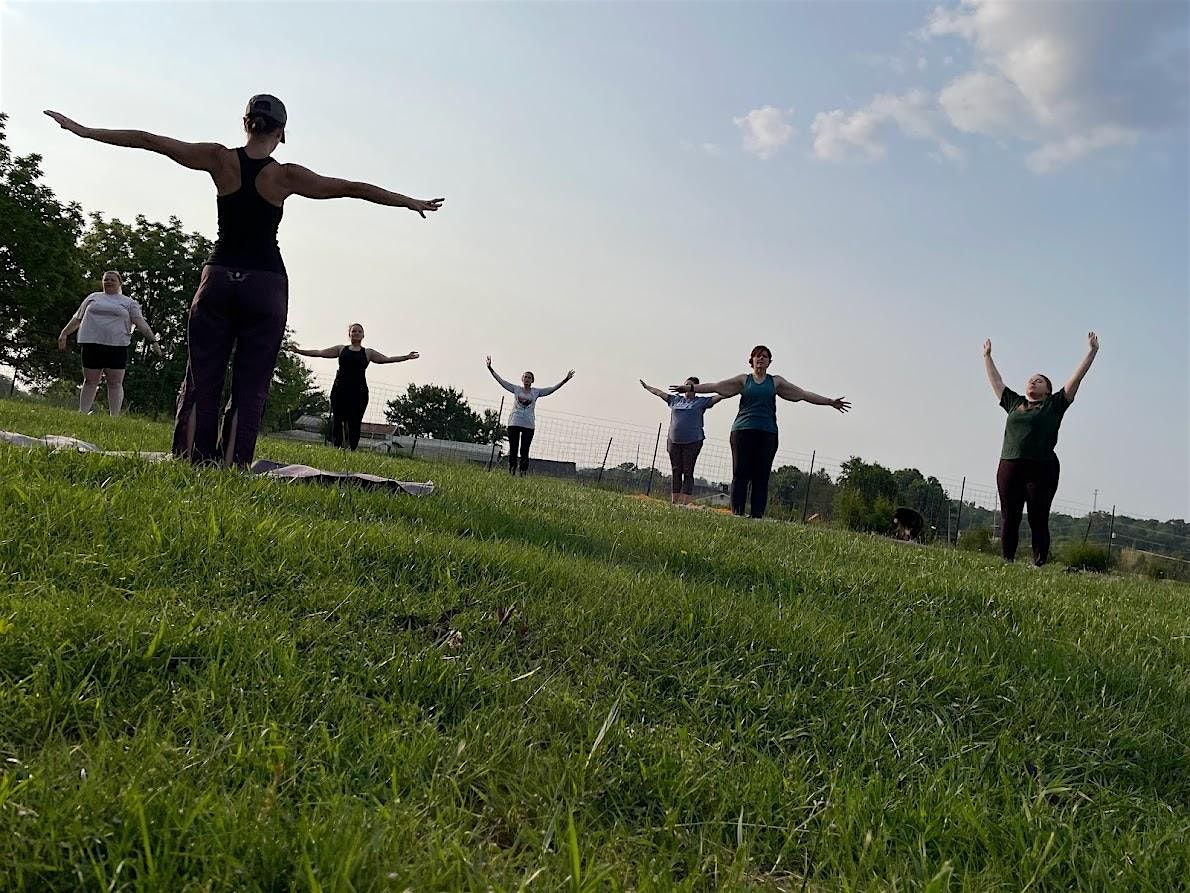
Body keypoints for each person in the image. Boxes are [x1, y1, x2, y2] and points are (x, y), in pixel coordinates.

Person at [45, 97, 444, 467]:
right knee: (251, 385)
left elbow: (151, 141)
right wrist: (407, 201)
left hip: (218, 280)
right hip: (266, 286)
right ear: (282, 133)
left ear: (245, 124)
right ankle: (234, 463)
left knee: (202, 377)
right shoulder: (286, 176)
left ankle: (192, 460)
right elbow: (350, 188)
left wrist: (85, 131)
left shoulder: (219, 159)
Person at [674, 345, 849, 518]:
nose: (761, 358)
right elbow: (716, 386)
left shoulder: (775, 382)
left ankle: (757, 515)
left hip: (767, 434)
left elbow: (802, 394)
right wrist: (691, 388)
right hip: (742, 432)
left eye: (765, 356)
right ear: (752, 360)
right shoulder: (744, 380)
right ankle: (738, 513)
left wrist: (829, 401)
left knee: (761, 476)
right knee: (740, 473)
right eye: (757, 355)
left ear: (769, 362)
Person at [983, 332, 1099, 566]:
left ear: (1048, 389)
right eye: (1031, 379)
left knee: (1038, 518)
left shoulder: (1054, 405)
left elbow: (1075, 379)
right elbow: (996, 382)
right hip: (1010, 466)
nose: (1033, 381)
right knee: (1009, 518)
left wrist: (1091, 352)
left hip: (1042, 469)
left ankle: (1039, 563)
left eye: (1039, 380)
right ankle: (1007, 562)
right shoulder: (1014, 403)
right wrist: (987, 356)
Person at [291, 323, 418, 450]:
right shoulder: (341, 349)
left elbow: (387, 359)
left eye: (359, 331)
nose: (356, 333)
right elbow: (320, 352)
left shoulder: (368, 353)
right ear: (349, 334)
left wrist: (406, 357)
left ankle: (352, 448)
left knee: (355, 422)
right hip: (340, 389)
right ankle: (337, 447)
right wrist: (299, 351)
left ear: (363, 335)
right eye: (354, 331)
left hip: (359, 391)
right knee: (338, 420)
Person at [57, 270, 163, 417]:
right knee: (90, 380)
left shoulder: (128, 303)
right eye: (106, 279)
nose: (109, 282)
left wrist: (153, 341)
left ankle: (114, 416)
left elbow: (141, 323)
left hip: (117, 346)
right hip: (92, 344)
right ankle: (83, 412)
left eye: (112, 280)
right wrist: (64, 333)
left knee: (115, 383)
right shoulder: (93, 298)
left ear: (120, 283)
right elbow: (77, 318)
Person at [640, 377, 724, 504]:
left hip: (693, 441)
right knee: (676, 470)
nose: (687, 388)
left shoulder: (701, 402)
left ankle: (686, 502)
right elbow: (659, 393)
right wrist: (647, 387)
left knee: (688, 471)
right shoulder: (675, 399)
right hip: (674, 441)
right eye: (685, 385)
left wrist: (734, 388)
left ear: (696, 389)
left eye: (690, 386)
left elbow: (721, 395)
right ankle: (674, 502)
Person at [486, 356, 574, 475]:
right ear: (522, 379)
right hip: (514, 422)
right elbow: (501, 381)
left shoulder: (536, 392)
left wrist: (565, 380)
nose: (527, 379)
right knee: (513, 448)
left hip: (528, 424)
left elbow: (551, 389)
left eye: (529, 378)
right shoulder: (516, 389)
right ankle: (512, 470)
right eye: (525, 377)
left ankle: (523, 471)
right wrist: (490, 368)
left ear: (532, 380)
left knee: (524, 449)